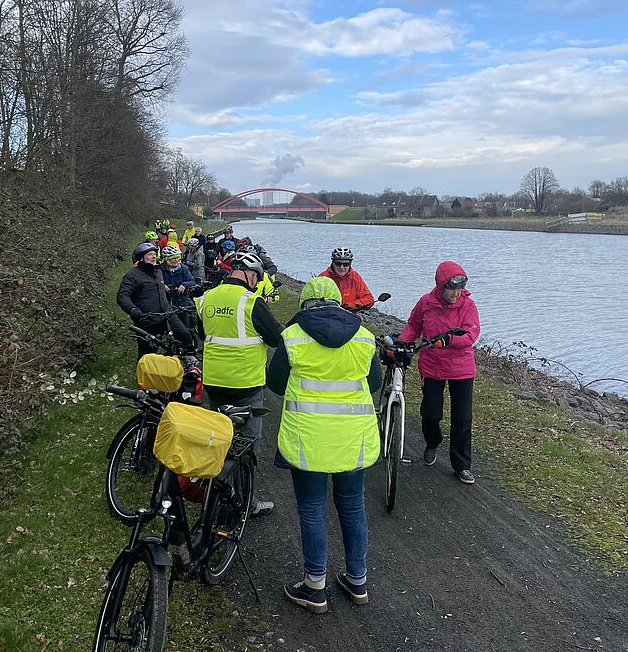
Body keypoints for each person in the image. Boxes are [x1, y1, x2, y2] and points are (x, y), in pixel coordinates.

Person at [266, 276, 381, 614]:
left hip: (308, 439)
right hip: (352, 438)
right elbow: (374, 382)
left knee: (313, 508)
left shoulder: (292, 336)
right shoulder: (364, 337)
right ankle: (357, 580)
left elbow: (275, 384)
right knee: (353, 506)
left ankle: (315, 585)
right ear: (338, 303)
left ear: (304, 303)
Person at [195, 252, 282, 517]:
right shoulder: (252, 302)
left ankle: (215, 496)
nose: (256, 283)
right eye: (256, 278)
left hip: (214, 382)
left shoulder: (207, 297)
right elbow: (275, 338)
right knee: (247, 444)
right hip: (246, 384)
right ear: (250, 274)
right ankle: (246, 503)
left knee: (219, 439)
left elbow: (202, 333)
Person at [399, 261, 480, 484]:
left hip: (461, 369)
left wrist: (449, 339)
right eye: (451, 288)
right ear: (440, 285)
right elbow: (413, 327)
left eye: (459, 288)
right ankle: (432, 442)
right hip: (432, 366)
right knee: (430, 413)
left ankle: (462, 466)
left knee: (462, 418)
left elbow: (471, 335)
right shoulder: (426, 303)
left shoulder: (468, 306)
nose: (456, 293)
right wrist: (403, 341)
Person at [116, 242, 193, 357]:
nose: (153, 256)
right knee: (148, 353)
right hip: (148, 318)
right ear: (141, 258)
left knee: (186, 337)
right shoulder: (132, 276)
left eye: (154, 254)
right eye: (149, 254)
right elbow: (122, 296)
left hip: (167, 314)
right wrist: (133, 310)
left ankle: (186, 363)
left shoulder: (158, 272)